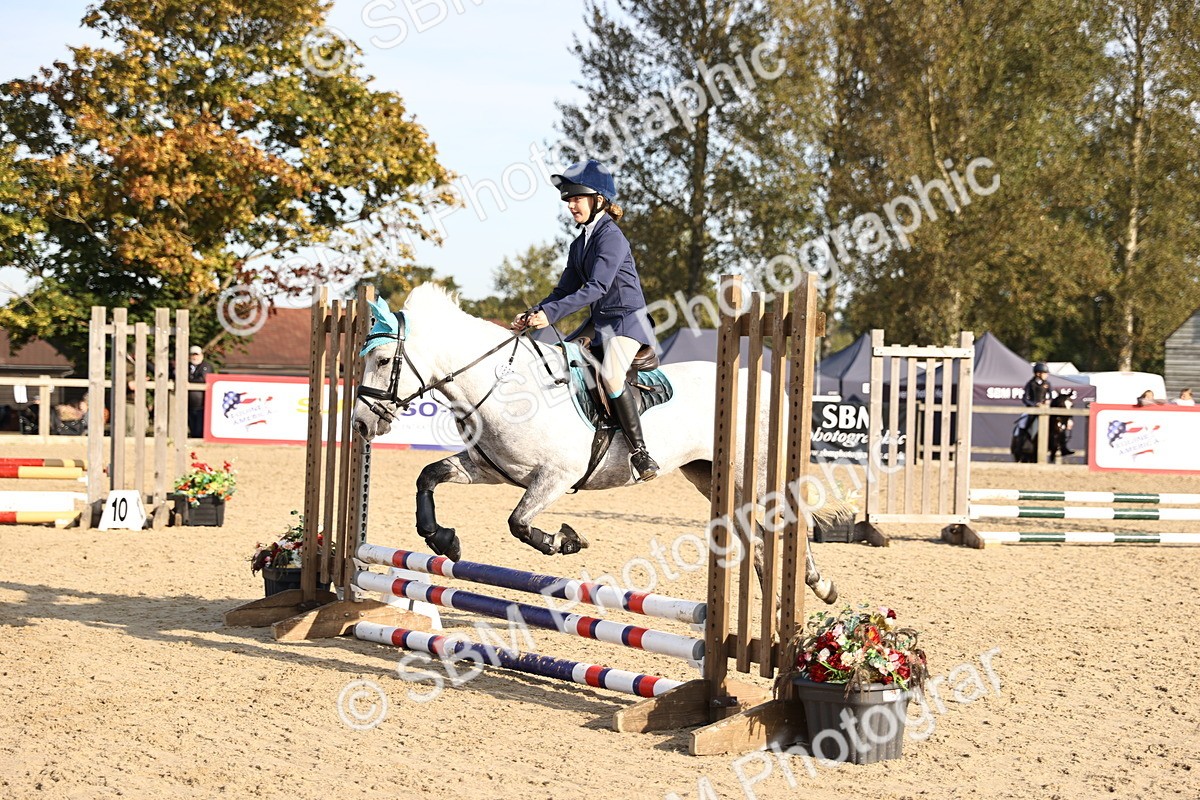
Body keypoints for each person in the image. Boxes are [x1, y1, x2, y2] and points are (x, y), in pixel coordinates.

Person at [511, 159, 659, 482]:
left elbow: (597, 287)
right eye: (568, 199)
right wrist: (533, 313)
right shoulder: (579, 244)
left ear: (599, 201)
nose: (571, 205)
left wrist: (550, 315)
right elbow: (563, 289)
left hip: (625, 321)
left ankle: (640, 451)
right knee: (561, 361)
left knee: (611, 376)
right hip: (599, 323)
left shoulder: (612, 237)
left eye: (577, 198)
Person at [187, 345, 214, 438]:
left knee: (199, 424)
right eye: (192, 355)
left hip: (201, 403)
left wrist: (188, 382)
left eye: (197, 355)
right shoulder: (187, 367)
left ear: (201, 355)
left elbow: (204, 379)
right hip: (189, 403)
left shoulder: (206, 366)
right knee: (191, 423)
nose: (195, 357)